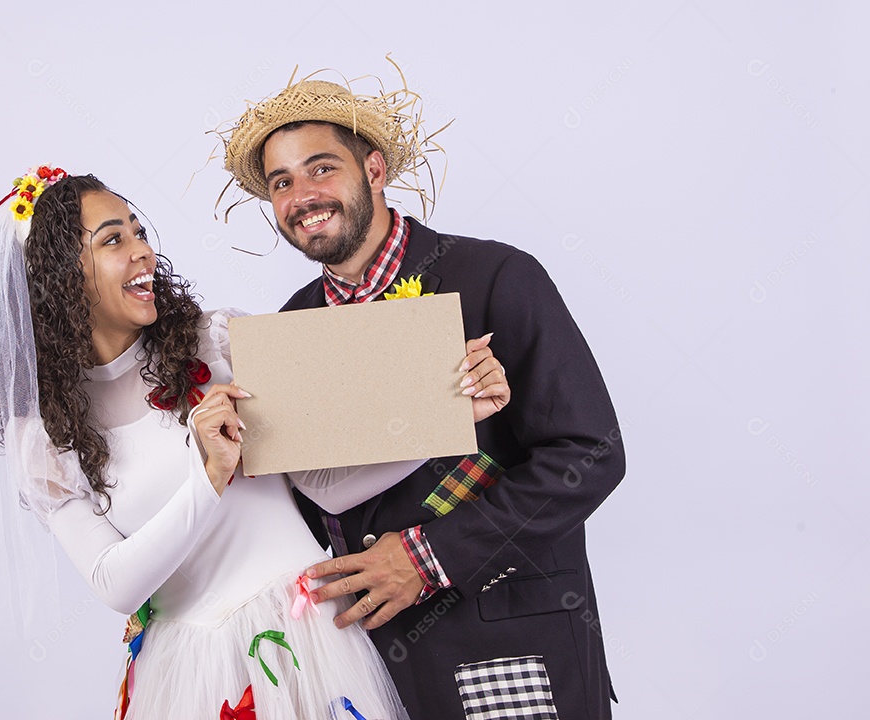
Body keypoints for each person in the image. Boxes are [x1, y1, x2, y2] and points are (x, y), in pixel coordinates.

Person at [0, 167, 509, 719]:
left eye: (138, 231)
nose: (142, 251)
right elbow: (115, 585)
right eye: (112, 240)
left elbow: (323, 487)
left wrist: (449, 416)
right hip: (190, 675)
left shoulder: (217, 342)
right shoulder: (46, 439)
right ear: (60, 278)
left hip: (306, 641)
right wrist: (208, 476)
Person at [220, 75, 626, 719]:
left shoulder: (497, 277)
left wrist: (427, 557)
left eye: (322, 168)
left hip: (509, 640)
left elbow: (590, 454)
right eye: (282, 182)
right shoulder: (289, 327)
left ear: (374, 169)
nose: (303, 196)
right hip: (372, 663)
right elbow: (307, 506)